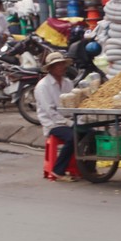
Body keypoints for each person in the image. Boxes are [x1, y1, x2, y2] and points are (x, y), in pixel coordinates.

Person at [34, 51, 77, 182]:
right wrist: (68, 123)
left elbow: (74, 103)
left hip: (69, 120)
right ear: (50, 68)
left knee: (91, 132)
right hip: (53, 124)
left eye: (62, 64)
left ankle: (88, 169)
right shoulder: (43, 86)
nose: (61, 67)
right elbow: (50, 112)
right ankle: (58, 170)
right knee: (73, 136)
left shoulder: (68, 83)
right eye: (57, 65)